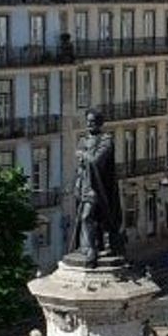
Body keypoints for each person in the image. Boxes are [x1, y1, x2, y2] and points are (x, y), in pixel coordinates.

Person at [72, 109, 123, 266]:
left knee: (87, 216)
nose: (89, 124)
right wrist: (77, 184)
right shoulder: (83, 140)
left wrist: (83, 155)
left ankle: (91, 250)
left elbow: (96, 161)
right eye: (87, 121)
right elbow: (81, 168)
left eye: (93, 121)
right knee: (91, 219)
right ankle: (93, 245)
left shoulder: (106, 140)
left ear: (100, 123)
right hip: (85, 186)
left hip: (100, 188)